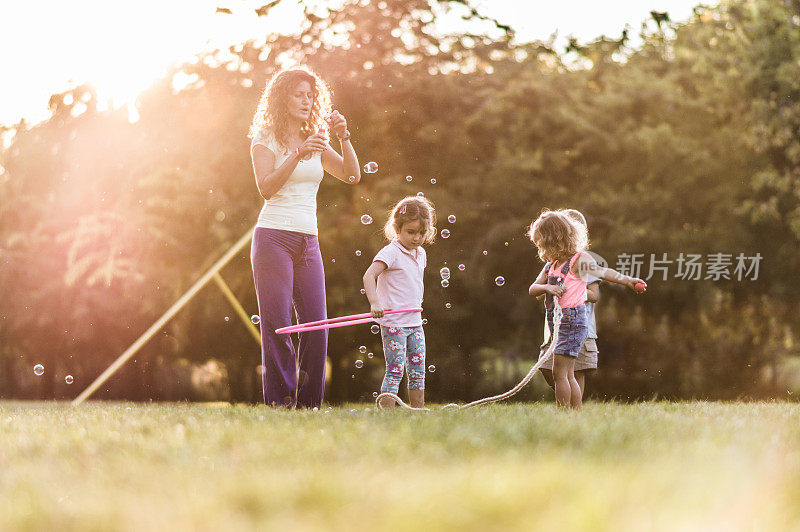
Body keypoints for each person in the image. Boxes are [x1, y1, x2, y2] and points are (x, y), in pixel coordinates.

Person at [248, 67, 361, 408]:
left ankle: (309, 405)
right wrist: (297, 154)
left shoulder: (317, 138)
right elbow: (266, 188)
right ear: (282, 98)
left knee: (317, 327)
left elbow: (351, 175)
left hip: (308, 242)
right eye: (298, 94)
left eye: (310, 95)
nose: (306, 100)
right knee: (278, 326)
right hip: (273, 239)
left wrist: (343, 136)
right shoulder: (265, 138)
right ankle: (280, 403)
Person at [527, 209, 645, 409]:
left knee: (559, 373)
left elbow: (604, 272)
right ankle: (574, 413)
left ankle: (565, 414)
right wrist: (547, 287)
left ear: (555, 240)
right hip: (559, 322)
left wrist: (628, 281)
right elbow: (533, 289)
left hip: (573, 321)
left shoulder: (579, 260)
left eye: (542, 244)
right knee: (566, 373)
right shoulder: (551, 265)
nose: (541, 250)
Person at [362, 196, 436, 409]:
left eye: (421, 233)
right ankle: (387, 414)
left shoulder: (421, 253)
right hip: (394, 324)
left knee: (418, 370)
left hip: (415, 322)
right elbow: (368, 276)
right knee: (395, 369)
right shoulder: (391, 252)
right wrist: (375, 303)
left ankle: (418, 412)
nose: (417, 238)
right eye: (411, 232)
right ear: (397, 228)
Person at [537, 209, 600, 398]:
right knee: (552, 370)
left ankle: (572, 414)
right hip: (556, 327)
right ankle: (568, 403)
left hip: (579, 326)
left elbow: (594, 294)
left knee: (575, 372)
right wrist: (547, 288)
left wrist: (570, 289)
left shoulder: (583, 262)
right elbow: (539, 291)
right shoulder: (552, 264)